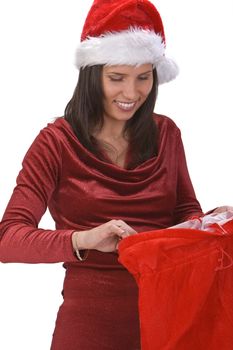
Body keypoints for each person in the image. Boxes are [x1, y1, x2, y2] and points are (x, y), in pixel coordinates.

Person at [0, 0, 229, 349]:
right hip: (90, 323)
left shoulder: (167, 133)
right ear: (92, 75)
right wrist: (83, 239)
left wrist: (208, 225)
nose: (132, 93)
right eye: (117, 78)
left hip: (171, 314)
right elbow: (8, 239)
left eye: (144, 78)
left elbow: (185, 211)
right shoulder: (56, 143)